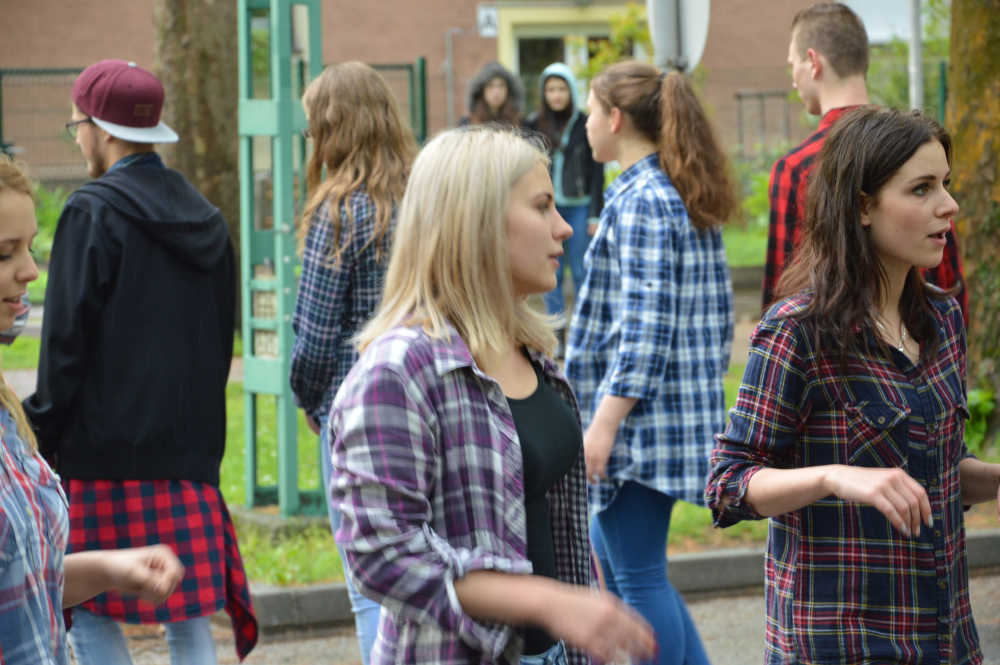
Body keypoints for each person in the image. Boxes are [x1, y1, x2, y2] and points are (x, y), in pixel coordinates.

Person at [329, 125, 656, 665]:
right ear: (477, 222)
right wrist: (544, 601)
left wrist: (583, 608)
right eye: (542, 206)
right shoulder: (400, 369)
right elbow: (380, 554)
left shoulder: (529, 351)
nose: (563, 227)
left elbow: (551, 517)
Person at [707, 106, 992, 664]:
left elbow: (939, 471)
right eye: (922, 189)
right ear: (862, 206)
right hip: (840, 643)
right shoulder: (799, 331)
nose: (949, 205)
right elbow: (727, 483)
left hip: (944, 638)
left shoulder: (942, 321)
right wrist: (834, 477)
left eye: (946, 184)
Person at [21, 60, 257, 664]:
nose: (78, 140)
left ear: (101, 129)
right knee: (188, 616)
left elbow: (64, 346)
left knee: (89, 609)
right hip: (189, 459)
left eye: (77, 126)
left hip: (99, 455)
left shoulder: (89, 211)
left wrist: (38, 430)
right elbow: (219, 343)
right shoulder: (209, 218)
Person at [565, 62, 739, 665]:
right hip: (663, 419)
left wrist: (604, 423)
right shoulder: (674, 191)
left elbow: (645, 329)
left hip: (637, 428)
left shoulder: (642, 200)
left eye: (591, 111)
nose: (586, 123)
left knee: (636, 579)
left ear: (615, 119)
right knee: (624, 570)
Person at [0, 154, 186, 665]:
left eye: (30, 247)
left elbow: (25, 584)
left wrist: (110, 569)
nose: (30, 271)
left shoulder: (7, 413)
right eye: (4, 253)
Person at [289, 61, 416, 665]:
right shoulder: (423, 200)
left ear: (331, 129)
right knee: (419, 569)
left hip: (355, 404)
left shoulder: (337, 211)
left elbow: (315, 336)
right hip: (429, 394)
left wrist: (309, 398)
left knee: (368, 584)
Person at [762, 3, 966, 321]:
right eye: (922, 188)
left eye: (793, 65)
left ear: (813, 62)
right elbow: (950, 280)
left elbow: (781, 291)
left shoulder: (798, 166)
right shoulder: (914, 144)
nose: (949, 206)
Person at [523, 63, 604, 352]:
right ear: (543, 93)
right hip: (547, 208)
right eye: (550, 89)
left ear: (570, 91)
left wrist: (595, 214)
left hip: (580, 208)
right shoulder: (533, 124)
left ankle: (583, 332)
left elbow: (597, 172)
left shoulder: (585, 123)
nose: (556, 95)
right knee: (552, 272)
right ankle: (557, 335)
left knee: (581, 271)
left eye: (561, 88)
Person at [459, 61, 523, 128]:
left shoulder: (521, 123)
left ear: (509, 90)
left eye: (501, 85)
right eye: (490, 85)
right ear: (481, 91)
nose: (496, 91)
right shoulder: (467, 123)